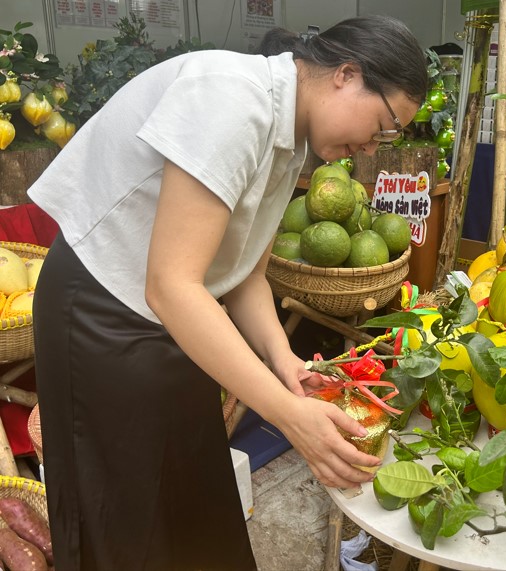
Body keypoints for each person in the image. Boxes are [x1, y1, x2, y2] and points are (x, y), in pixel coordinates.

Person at [28, 15, 427, 571]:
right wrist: (288, 416)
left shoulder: (292, 140)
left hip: (175, 316)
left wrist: (284, 363)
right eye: (383, 127)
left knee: (191, 491)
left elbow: (244, 276)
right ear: (347, 73)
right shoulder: (232, 99)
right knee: (122, 511)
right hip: (99, 314)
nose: (369, 148)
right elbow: (171, 285)